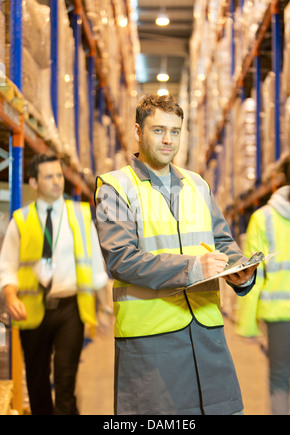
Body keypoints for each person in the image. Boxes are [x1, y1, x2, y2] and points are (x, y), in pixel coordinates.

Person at [94, 94, 258, 415]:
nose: (168, 140)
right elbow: (121, 259)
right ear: (138, 132)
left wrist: (241, 271)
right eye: (158, 131)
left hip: (207, 333)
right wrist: (193, 268)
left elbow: (223, 242)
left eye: (175, 131)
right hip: (151, 339)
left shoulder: (198, 185)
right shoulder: (115, 187)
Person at [0, 153, 110, 415]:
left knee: (65, 382)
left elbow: (96, 267)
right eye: (49, 177)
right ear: (34, 183)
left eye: (58, 175)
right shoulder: (21, 220)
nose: (57, 181)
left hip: (69, 310)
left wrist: (105, 309)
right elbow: (7, 268)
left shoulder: (82, 217)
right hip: (32, 310)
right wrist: (12, 297)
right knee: (37, 385)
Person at [236, 152, 290, 415]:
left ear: (282, 178)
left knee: (279, 382)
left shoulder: (263, 218)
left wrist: (248, 325)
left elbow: (253, 275)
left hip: (280, 319)